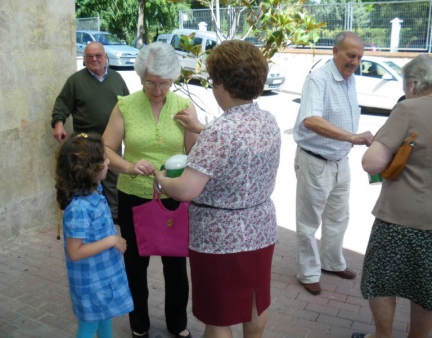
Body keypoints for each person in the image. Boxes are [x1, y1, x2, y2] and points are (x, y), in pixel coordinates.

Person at [154, 40, 281, 338]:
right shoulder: (268, 120)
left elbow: (186, 189)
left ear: (222, 83)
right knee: (255, 302)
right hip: (260, 228)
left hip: (219, 236)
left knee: (219, 316)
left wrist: (162, 178)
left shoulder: (220, 132)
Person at [102, 41, 202, 338]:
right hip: (134, 195)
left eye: (164, 83)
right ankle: (139, 323)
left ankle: (177, 324)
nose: (157, 90)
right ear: (140, 75)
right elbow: (106, 147)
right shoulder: (126, 106)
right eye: (150, 82)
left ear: (173, 78)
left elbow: (195, 155)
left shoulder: (184, 107)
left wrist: (196, 128)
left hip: (174, 196)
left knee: (175, 264)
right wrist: (128, 166)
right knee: (135, 263)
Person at [356, 54, 432, 338]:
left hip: (400, 217)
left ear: (412, 84)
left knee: (382, 279)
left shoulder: (408, 109)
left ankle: (383, 336)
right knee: (426, 287)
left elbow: (372, 163)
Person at [293, 31, 374, 296]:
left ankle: (331, 261)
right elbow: (311, 120)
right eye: (351, 55)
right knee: (309, 222)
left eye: (360, 57)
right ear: (335, 51)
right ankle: (308, 273)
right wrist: (352, 137)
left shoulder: (349, 78)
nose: (355, 62)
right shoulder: (319, 79)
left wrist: (350, 141)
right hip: (315, 161)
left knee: (339, 217)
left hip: (341, 160)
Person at [55, 132, 133, 338]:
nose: (108, 161)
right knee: (89, 326)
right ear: (89, 170)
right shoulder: (79, 208)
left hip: (102, 275)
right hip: (91, 282)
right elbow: (75, 252)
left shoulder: (94, 192)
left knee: (105, 316)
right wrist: (111, 240)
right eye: (103, 159)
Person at [51, 41, 130, 222]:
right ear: (84, 59)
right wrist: (58, 123)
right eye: (89, 56)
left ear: (105, 57)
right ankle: (89, 218)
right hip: (86, 144)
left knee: (112, 180)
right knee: (87, 181)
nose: (94, 59)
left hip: (113, 141)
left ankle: (113, 218)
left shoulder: (117, 78)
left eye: (98, 55)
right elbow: (61, 105)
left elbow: (128, 106)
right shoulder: (75, 81)